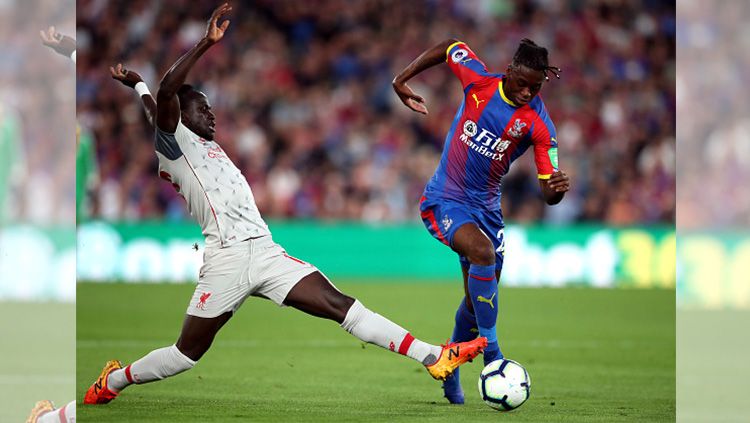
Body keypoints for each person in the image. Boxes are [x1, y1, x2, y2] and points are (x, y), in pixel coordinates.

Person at [84, 3, 486, 406]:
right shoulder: (175, 146)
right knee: (184, 355)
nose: (211, 113)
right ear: (182, 115)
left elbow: (154, 103)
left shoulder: (201, 143)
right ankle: (115, 380)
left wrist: (137, 84)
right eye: (202, 107)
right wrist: (205, 44)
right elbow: (167, 95)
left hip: (264, 251)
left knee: (341, 306)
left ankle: (432, 356)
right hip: (227, 258)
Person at [392, 38, 571, 404]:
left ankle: (450, 366)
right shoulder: (478, 81)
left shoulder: (539, 123)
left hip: (487, 210)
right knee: (483, 253)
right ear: (509, 71)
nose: (526, 92)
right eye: (522, 83)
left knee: (475, 304)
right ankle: (492, 354)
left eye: (535, 87)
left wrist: (557, 188)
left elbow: (549, 193)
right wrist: (402, 79)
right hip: (445, 198)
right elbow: (450, 46)